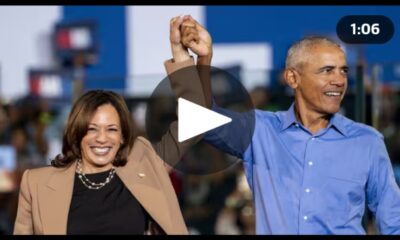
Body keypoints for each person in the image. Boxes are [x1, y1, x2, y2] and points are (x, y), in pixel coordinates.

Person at [181, 17, 400, 234]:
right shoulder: (259, 130)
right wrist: (204, 60)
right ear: (293, 78)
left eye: (343, 70)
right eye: (327, 70)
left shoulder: (367, 141)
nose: (339, 80)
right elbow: (200, 118)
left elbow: (393, 222)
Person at [12, 15, 212, 235]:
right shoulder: (37, 183)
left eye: (112, 129)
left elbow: (196, 119)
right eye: (92, 129)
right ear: (77, 133)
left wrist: (180, 53)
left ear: (123, 136)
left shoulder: (145, 166)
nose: (102, 138)